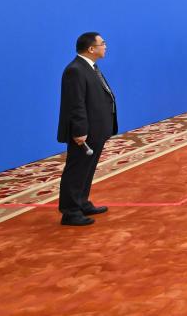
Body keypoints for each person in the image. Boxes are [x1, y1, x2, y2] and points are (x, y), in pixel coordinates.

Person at [57, 32, 117, 227]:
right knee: (76, 170)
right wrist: (79, 131)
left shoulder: (90, 67)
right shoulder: (75, 70)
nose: (105, 46)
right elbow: (76, 103)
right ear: (91, 49)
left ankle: (81, 202)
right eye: (102, 43)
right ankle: (70, 212)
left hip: (96, 129)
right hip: (84, 132)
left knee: (87, 169)